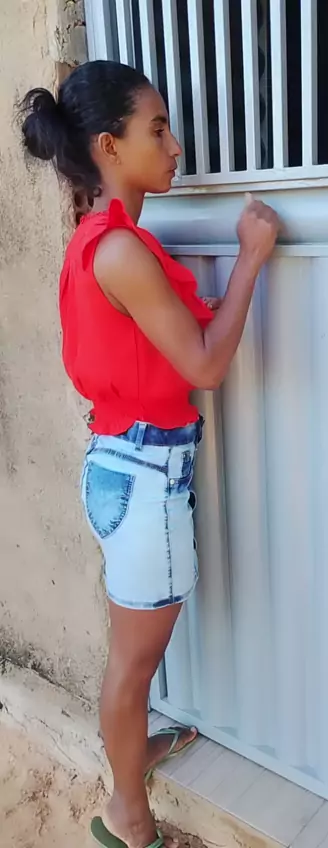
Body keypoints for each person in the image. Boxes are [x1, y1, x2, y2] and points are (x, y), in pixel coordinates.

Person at [19, 60, 279, 848]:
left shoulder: (99, 241)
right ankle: (126, 815)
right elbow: (205, 365)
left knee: (130, 661)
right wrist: (251, 256)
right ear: (109, 146)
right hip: (144, 478)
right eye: (156, 130)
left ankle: (134, 755)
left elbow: (157, 348)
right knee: (131, 670)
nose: (174, 147)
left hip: (119, 467)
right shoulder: (121, 252)